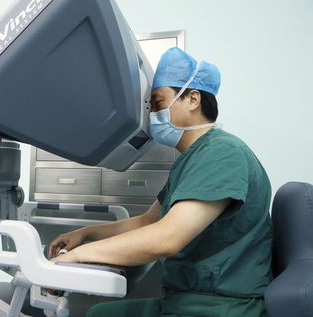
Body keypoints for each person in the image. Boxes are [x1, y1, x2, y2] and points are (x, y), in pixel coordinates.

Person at [48, 47, 273, 317]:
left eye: (157, 102)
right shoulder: (192, 158)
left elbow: (168, 237)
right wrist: (85, 234)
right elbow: (149, 221)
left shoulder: (222, 154)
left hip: (219, 307)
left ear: (192, 99)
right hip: (185, 300)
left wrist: (79, 255)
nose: (152, 113)